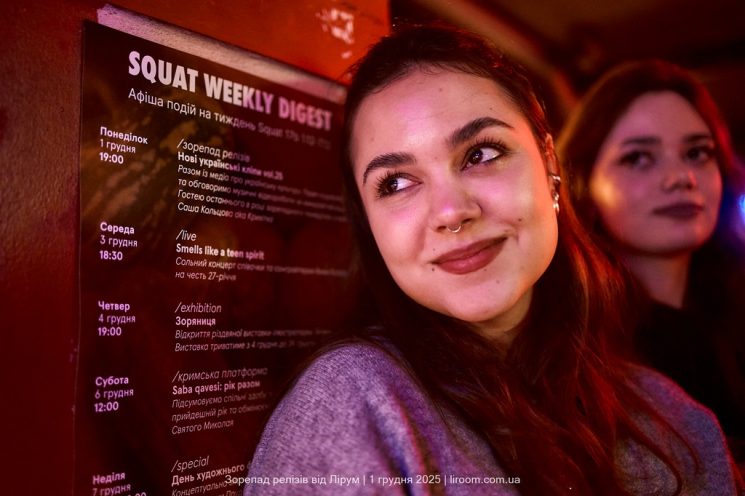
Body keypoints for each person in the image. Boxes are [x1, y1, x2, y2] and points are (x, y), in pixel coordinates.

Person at [243, 27, 740, 495]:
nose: (451, 212)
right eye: (395, 182)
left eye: (481, 153)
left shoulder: (682, 425)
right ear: (369, 223)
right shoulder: (353, 401)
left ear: (549, 163)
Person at [556, 59, 745, 470]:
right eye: (639, 158)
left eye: (697, 153)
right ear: (583, 181)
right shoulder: (571, 349)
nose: (681, 177)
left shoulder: (732, 316)